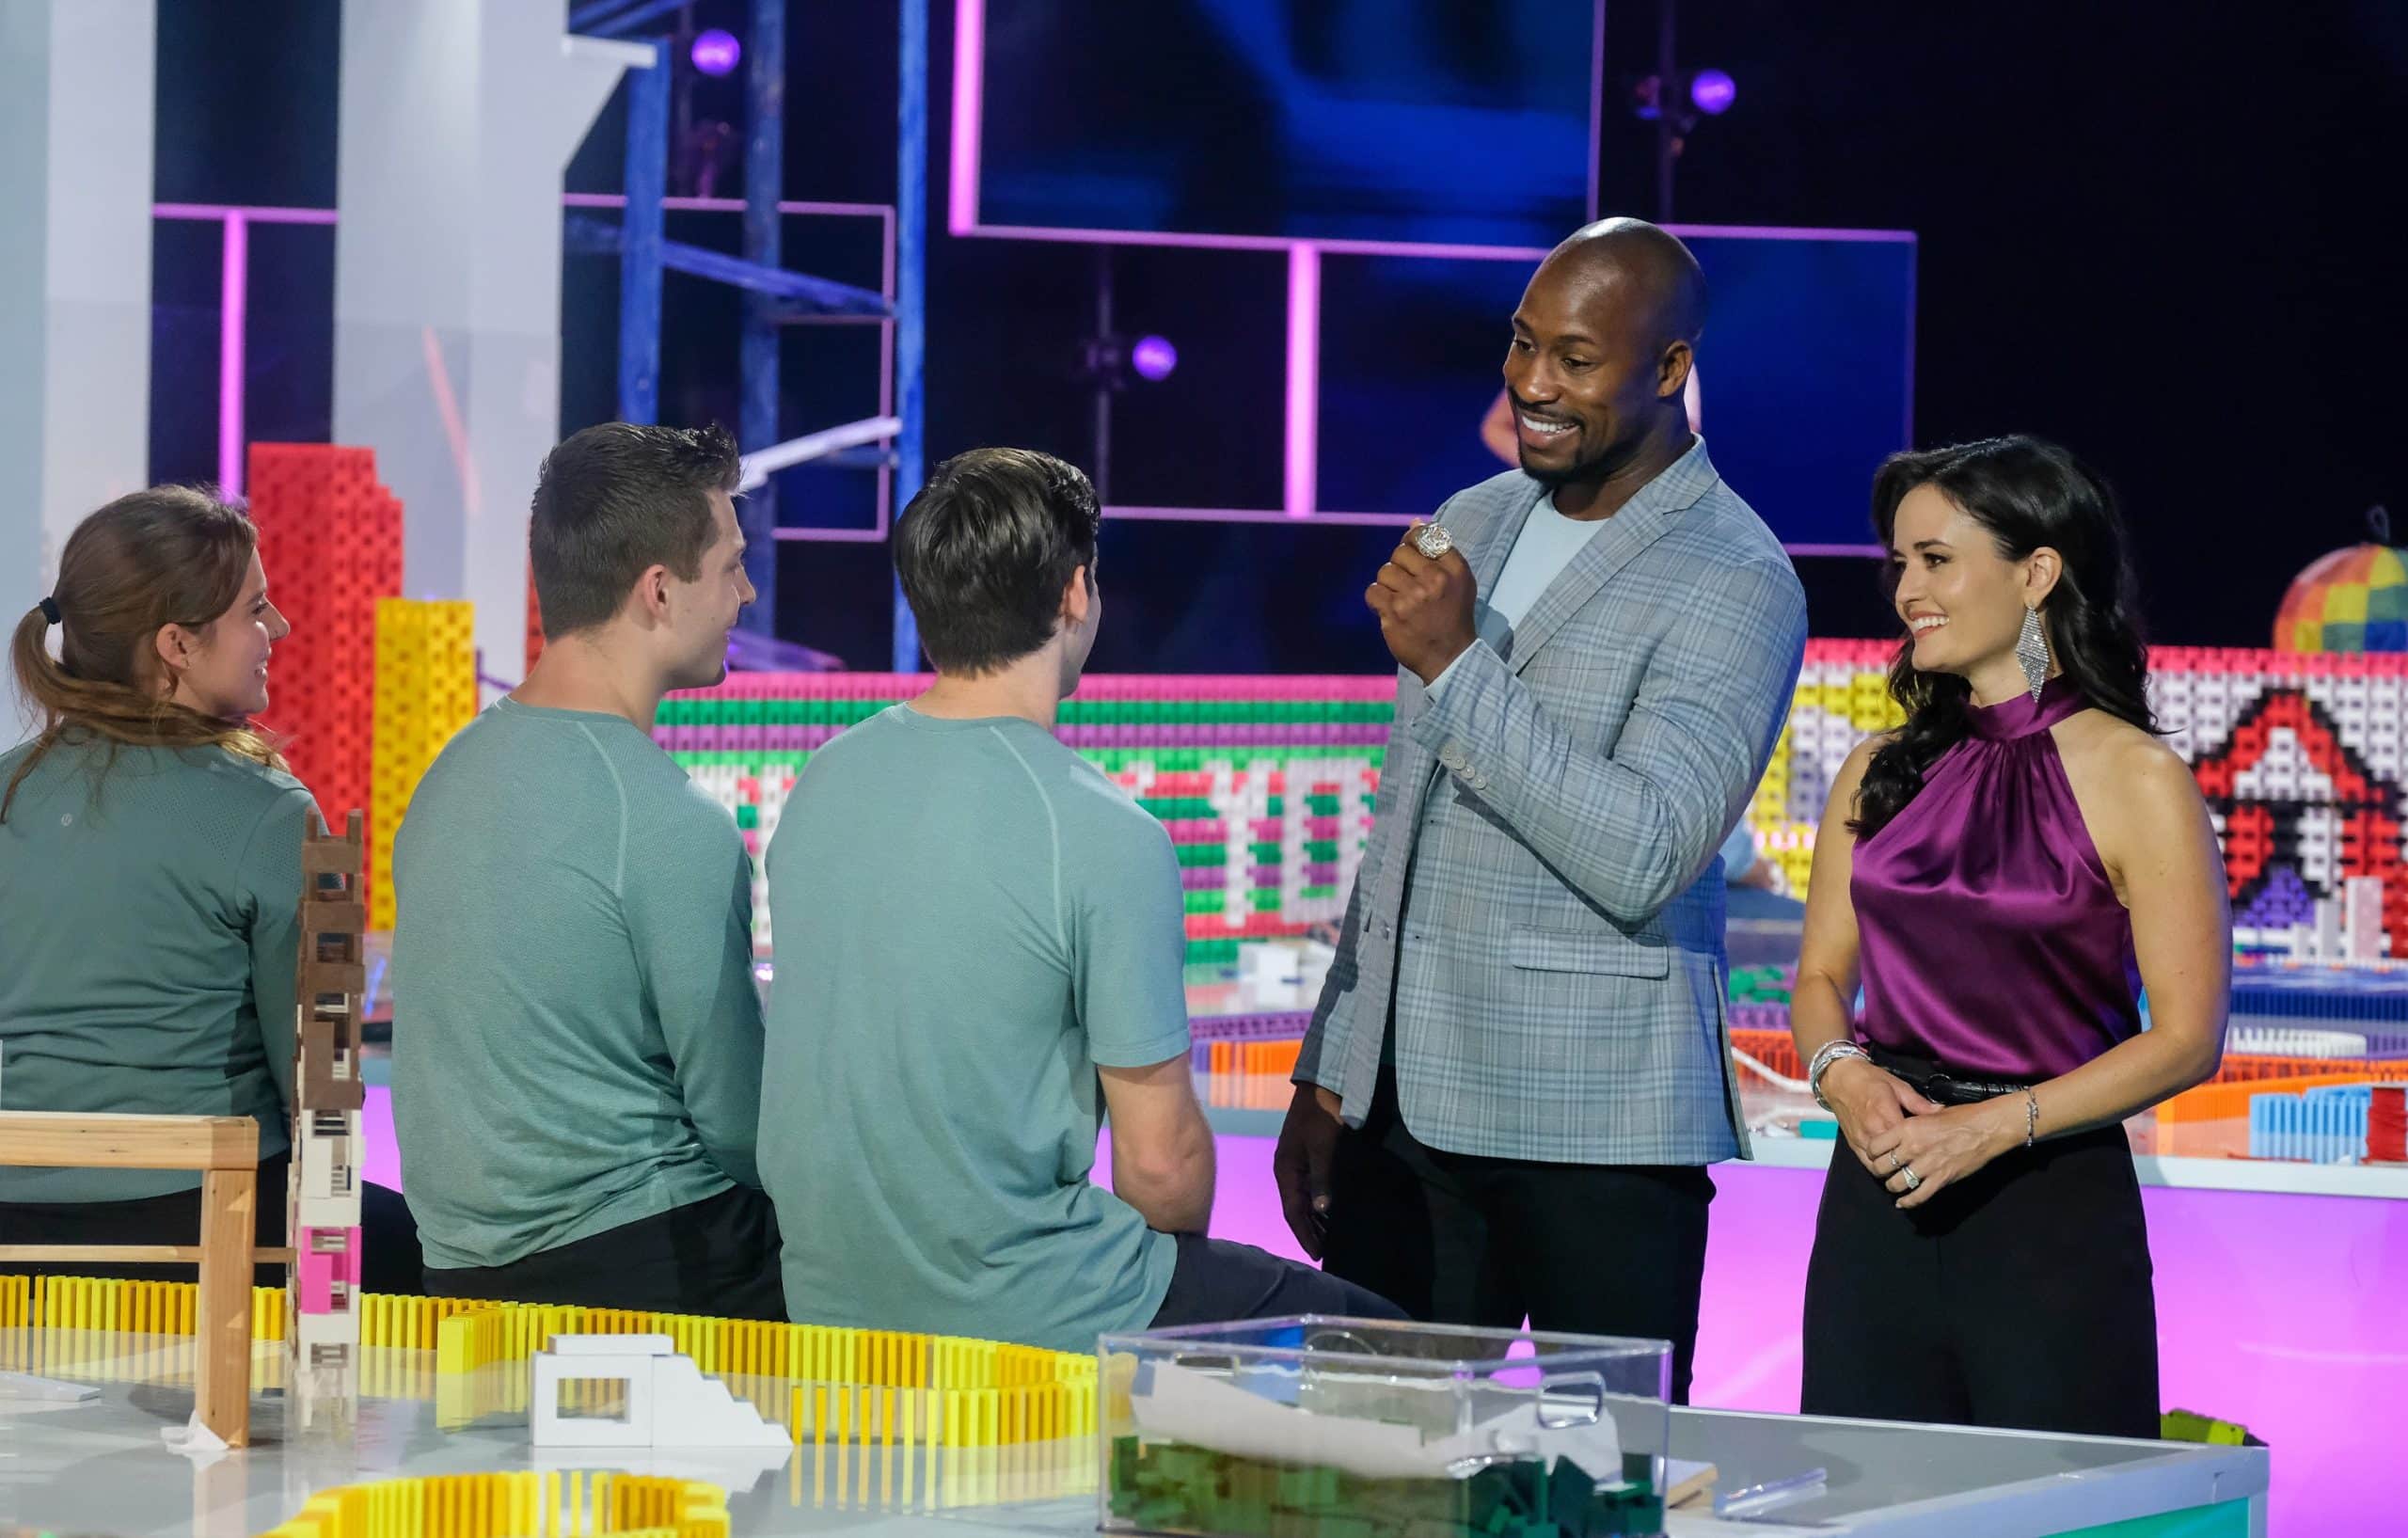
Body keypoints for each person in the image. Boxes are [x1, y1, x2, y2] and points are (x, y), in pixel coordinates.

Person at [1275, 218, 1807, 1402]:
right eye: (1521, 346)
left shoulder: (1737, 573)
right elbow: (1400, 831)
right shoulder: (1472, 518)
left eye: (1573, 359)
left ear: (1668, 369)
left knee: (1599, 1491)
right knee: (1368, 1477)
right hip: (1402, 1127)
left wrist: (1460, 666)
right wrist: (1330, 1068)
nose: (1530, 384)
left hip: (1600, 1137)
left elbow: (1646, 848)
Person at [760, 447, 1400, 1354]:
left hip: (828, 1303)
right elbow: (1161, 1167)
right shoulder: (1104, 830)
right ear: (1074, 593)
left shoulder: (821, 781)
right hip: (1030, 1306)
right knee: (1412, 1354)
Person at [1790, 436, 2228, 1437]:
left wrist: (1991, 1126)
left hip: (2046, 1207)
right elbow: (1817, 975)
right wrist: (1843, 1076)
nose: (1906, 590)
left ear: (2036, 573)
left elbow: (2187, 1039)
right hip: (1878, 1190)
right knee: (1864, 1504)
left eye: (1936, 559)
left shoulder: (2137, 776)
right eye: (1898, 563)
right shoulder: (1877, 767)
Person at [391, 421, 781, 1318]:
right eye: (730, 566)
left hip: (458, 1269)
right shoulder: (667, 816)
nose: (745, 593)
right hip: (645, 1268)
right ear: (657, 589)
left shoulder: (447, 777)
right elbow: (743, 1126)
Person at [0, 487, 419, 1291]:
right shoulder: (270, 810)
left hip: (17, 1224)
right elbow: (318, 1082)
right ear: (176, 647)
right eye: (255, 609)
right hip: (200, 1225)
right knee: (437, 1255)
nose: (280, 630)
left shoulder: (8, 791)